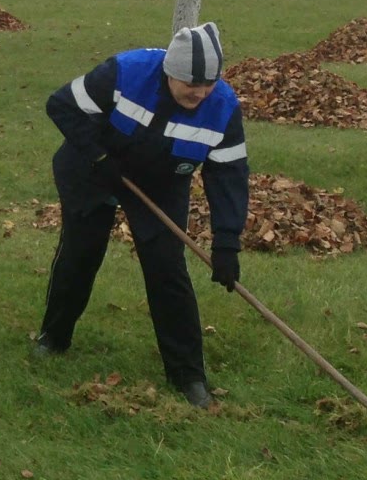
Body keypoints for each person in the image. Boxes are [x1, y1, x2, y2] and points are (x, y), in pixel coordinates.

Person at [35, 21, 249, 408]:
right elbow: (61, 105)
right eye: (190, 85)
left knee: (167, 267)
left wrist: (227, 243)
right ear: (170, 72)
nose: (199, 94)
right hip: (95, 167)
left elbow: (228, 177)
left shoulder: (222, 109)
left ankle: (188, 375)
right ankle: (53, 338)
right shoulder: (126, 73)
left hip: (163, 180)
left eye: (208, 85)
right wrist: (98, 156)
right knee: (82, 252)